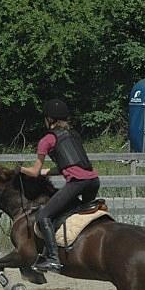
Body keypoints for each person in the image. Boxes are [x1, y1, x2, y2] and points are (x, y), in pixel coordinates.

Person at [20, 99, 100, 274]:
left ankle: (54, 259)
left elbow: (33, 172)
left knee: (43, 216)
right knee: (73, 213)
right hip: (93, 182)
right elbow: (71, 165)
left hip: (78, 184)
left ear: (49, 119)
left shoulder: (47, 140)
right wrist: (47, 172)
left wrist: (19, 169)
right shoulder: (73, 134)